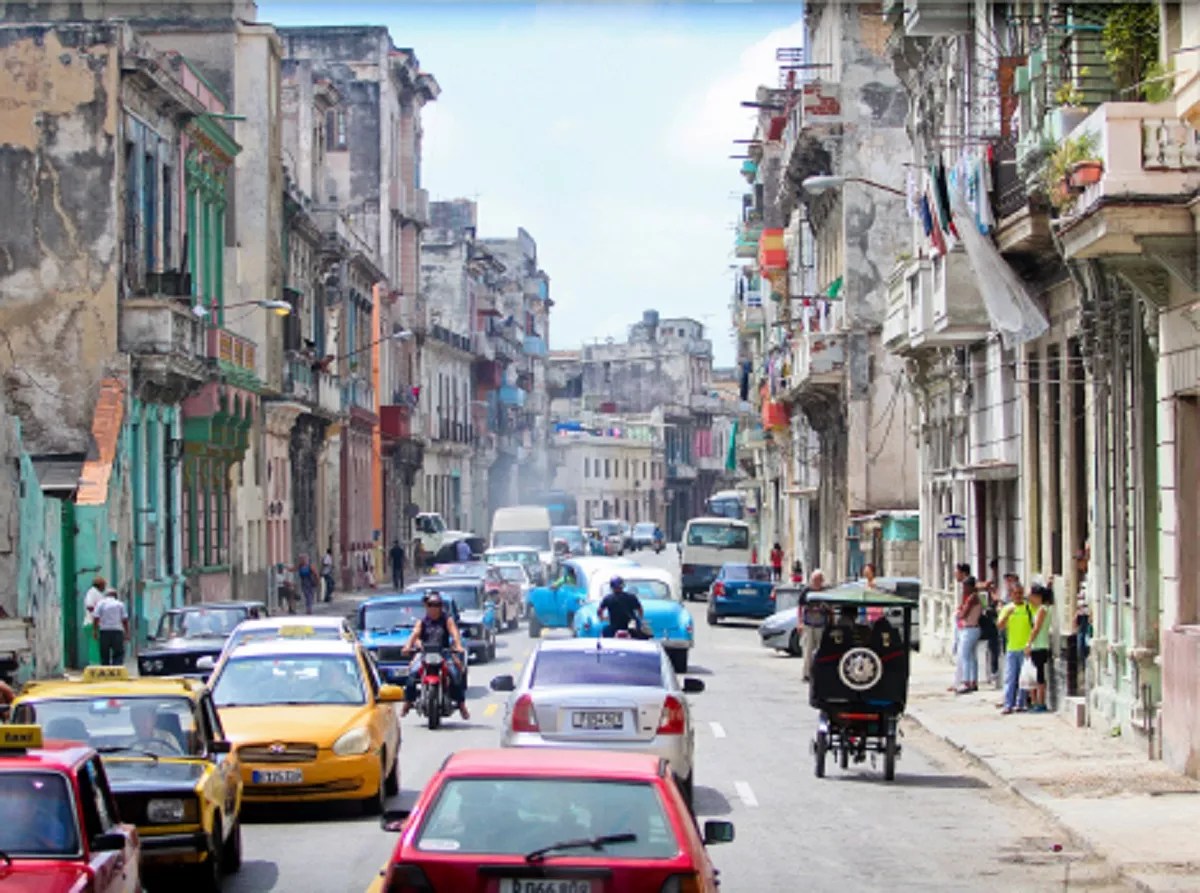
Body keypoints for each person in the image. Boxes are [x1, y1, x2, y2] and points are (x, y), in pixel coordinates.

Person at [401, 592, 469, 720]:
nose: (434, 608)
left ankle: (461, 705)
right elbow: (415, 634)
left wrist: (458, 645)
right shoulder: (422, 621)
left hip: (444, 653)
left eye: (437, 605)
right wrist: (408, 646)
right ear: (426, 606)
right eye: (431, 605)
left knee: (455, 675)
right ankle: (408, 702)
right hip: (425, 653)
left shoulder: (447, 619)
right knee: (412, 674)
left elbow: (454, 632)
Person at [997, 583, 1035, 714]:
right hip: (1012, 648)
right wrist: (1007, 615)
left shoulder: (1029, 608)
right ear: (1011, 595)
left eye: (1020, 593)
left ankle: (1021, 703)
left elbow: (1035, 624)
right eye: (1016, 593)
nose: (1018, 596)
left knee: (1023, 678)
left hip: (1025, 648)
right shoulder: (1007, 608)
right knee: (1010, 677)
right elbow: (1000, 626)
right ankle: (1008, 704)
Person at [1026, 583, 1053, 712]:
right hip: (1039, 645)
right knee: (1037, 675)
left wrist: (1029, 643)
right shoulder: (1042, 609)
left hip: (1040, 645)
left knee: (1039, 676)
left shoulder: (1043, 609)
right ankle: (1036, 702)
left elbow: (1036, 628)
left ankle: (1040, 702)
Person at [955, 577, 983, 694]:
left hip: (970, 628)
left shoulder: (972, 598)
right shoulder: (975, 597)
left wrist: (959, 613)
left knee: (965, 656)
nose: (964, 589)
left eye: (965, 586)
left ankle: (966, 682)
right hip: (974, 629)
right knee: (972, 657)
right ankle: (973, 681)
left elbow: (963, 614)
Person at [800, 569, 827, 683]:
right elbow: (800, 607)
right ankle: (807, 673)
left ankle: (818, 673)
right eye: (815, 579)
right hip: (808, 624)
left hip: (821, 624)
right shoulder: (806, 591)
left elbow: (829, 608)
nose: (817, 582)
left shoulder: (825, 591)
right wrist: (800, 622)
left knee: (820, 650)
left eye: (819, 580)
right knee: (808, 649)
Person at [93, 589, 129, 666]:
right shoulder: (120, 604)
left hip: (104, 631)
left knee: (104, 654)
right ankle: (117, 669)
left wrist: (95, 631)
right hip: (117, 631)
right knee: (118, 653)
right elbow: (125, 620)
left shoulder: (100, 604)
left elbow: (96, 618)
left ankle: (106, 670)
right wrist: (127, 633)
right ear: (115, 596)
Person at [83, 575, 106, 665]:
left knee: (96, 645)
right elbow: (89, 606)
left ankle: (96, 663)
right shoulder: (92, 592)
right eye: (104, 585)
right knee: (94, 645)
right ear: (100, 585)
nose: (104, 587)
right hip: (92, 623)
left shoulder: (97, 593)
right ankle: (94, 664)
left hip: (96, 623)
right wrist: (98, 614)